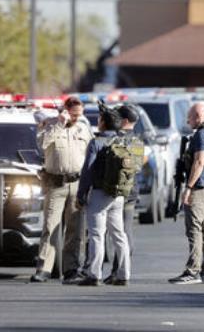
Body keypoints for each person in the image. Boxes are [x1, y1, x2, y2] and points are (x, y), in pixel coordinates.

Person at [31, 96, 93, 284]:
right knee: (50, 227)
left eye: (79, 115)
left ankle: (71, 268)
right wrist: (59, 124)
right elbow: (42, 146)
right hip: (55, 184)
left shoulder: (83, 128)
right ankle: (44, 269)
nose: (77, 118)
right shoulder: (49, 126)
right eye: (73, 114)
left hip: (77, 183)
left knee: (75, 229)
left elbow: (90, 153)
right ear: (64, 111)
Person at [76, 106, 133, 286]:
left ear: (103, 122)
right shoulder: (123, 141)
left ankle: (94, 274)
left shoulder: (96, 142)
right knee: (119, 234)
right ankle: (124, 274)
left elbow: (88, 171)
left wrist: (81, 194)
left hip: (100, 194)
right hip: (118, 194)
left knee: (96, 235)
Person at [169, 102, 204, 285]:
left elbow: (199, 162)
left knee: (194, 230)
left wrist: (188, 188)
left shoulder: (202, 134)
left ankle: (193, 271)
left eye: (189, 117)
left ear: (198, 116)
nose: (188, 121)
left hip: (199, 188)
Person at [103, 104, 140, 285]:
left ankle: (119, 271)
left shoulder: (116, 140)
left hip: (116, 191)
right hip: (130, 191)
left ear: (124, 121)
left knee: (120, 233)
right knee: (125, 231)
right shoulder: (138, 142)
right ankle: (119, 270)